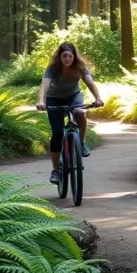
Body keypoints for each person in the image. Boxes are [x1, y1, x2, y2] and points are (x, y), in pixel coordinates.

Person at [36, 42, 105, 184]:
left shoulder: (80, 67)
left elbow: (90, 83)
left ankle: (81, 141)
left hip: (73, 96)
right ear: (59, 57)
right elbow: (44, 86)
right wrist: (41, 101)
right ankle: (55, 170)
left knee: (79, 112)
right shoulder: (53, 68)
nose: (67, 59)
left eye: (70, 56)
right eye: (64, 56)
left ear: (74, 57)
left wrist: (98, 98)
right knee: (57, 133)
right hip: (54, 99)